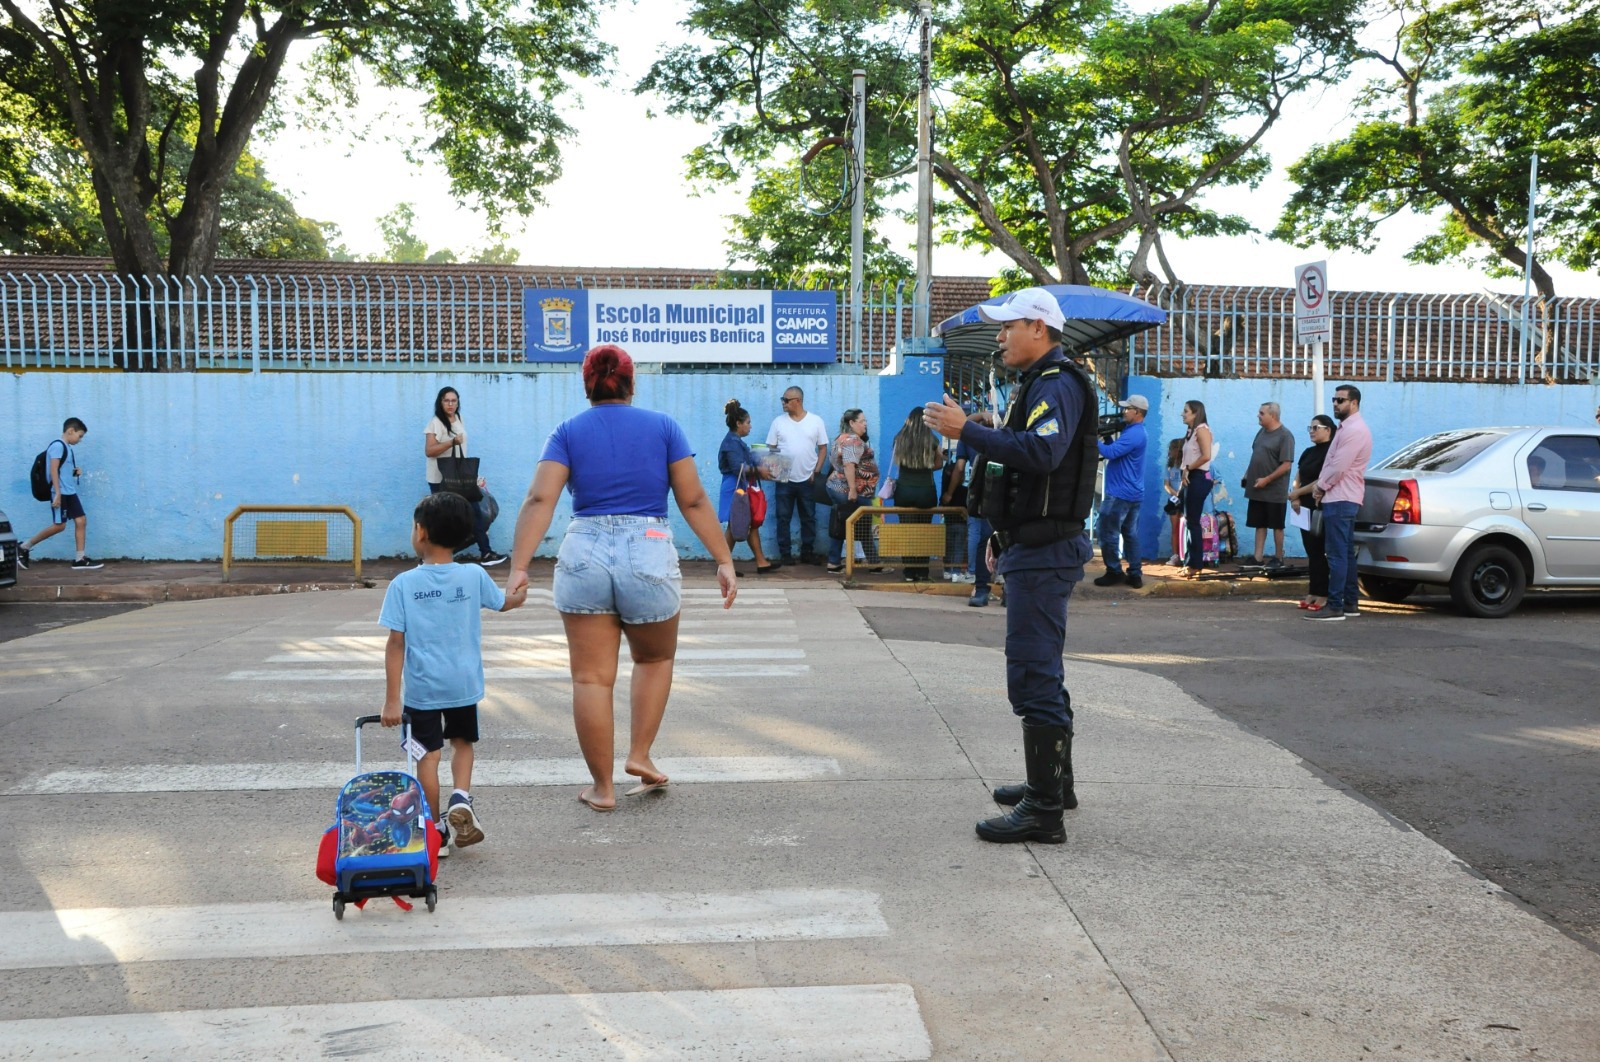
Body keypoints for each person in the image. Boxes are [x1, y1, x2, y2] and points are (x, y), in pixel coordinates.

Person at [506, 345, 737, 811]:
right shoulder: (664, 427)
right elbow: (692, 500)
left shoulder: (567, 431)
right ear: (632, 383)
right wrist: (724, 559)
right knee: (653, 660)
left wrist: (519, 567)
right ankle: (640, 754)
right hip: (648, 545)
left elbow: (539, 500)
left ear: (587, 385)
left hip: (583, 549)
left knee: (591, 679)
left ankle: (603, 788)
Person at [923, 287, 1097, 845]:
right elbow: (1030, 470)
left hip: (1047, 553)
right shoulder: (1043, 383)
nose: (999, 337)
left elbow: (1042, 453)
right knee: (1043, 669)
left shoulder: (1057, 383)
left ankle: (1044, 811)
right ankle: (1055, 786)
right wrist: (1004, 532)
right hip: (1034, 546)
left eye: (1008, 327)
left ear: (1039, 329)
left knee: (1032, 673)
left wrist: (967, 432)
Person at [379, 492, 528, 857]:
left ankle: (434, 830)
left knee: (427, 757)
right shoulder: (474, 575)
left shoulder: (403, 584)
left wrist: (391, 699)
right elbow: (504, 603)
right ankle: (461, 798)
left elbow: (395, 644)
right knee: (463, 744)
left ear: (421, 533)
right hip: (464, 685)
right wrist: (518, 594)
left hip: (422, 692)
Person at [1307, 385, 1373, 622]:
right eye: (1334, 399)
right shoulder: (1348, 428)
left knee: (1336, 554)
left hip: (1341, 497)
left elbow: (1339, 466)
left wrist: (1320, 486)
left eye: (1341, 400)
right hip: (1341, 497)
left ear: (1353, 403)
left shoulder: (1354, 430)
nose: (1335, 403)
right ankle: (1350, 603)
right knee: (1343, 553)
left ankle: (1336, 605)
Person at [424, 386, 505, 566]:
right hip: (441, 480)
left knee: (475, 511)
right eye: (446, 400)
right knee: (443, 520)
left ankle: (486, 553)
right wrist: (451, 442)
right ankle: (430, 559)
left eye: (454, 401)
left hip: (459, 479)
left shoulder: (458, 418)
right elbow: (429, 451)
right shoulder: (435, 422)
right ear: (440, 402)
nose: (450, 404)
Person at [17, 417, 102, 571]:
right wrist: (56, 493)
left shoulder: (67, 447)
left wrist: (74, 472)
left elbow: (61, 470)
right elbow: (53, 470)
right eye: (80, 436)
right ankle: (24, 547)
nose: (80, 439)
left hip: (69, 492)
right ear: (71, 431)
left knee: (81, 520)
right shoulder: (57, 446)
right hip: (61, 493)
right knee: (59, 526)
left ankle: (80, 559)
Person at [765, 386, 829, 566]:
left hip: (808, 479)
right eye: (782, 400)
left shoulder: (816, 421)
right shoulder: (778, 422)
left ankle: (807, 553)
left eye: (786, 400)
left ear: (797, 401)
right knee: (782, 517)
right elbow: (771, 447)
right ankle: (785, 554)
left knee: (808, 517)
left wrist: (816, 472)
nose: (783, 403)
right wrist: (777, 470)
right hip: (784, 479)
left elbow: (823, 448)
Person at [719, 399, 781, 575]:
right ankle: (723, 566)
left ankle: (761, 562)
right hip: (735, 486)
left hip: (740, 485)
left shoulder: (735, 441)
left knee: (748, 523)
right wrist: (757, 469)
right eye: (748, 422)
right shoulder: (732, 443)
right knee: (736, 524)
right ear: (738, 423)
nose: (750, 426)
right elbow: (737, 467)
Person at [1093, 395, 1149, 588]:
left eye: (1128, 409)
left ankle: (1114, 571)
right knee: (1130, 534)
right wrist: (1107, 437)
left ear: (1138, 412)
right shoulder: (1134, 432)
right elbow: (1116, 451)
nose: (1124, 412)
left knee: (1106, 532)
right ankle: (1134, 574)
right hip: (1132, 493)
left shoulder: (1134, 434)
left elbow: (1111, 453)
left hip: (1119, 493)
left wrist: (1093, 438)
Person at [945, 412, 996, 606]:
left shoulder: (967, 439)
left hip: (977, 489)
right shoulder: (1002, 432)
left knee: (977, 533)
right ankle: (1002, 578)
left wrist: (950, 492)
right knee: (1004, 535)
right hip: (1003, 490)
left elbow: (959, 467)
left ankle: (976, 574)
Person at [890, 408, 945, 581]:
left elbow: (898, 463)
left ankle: (908, 572)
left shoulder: (899, 439)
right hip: (926, 491)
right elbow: (939, 464)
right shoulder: (932, 439)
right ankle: (922, 572)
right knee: (924, 531)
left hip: (904, 491)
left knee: (907, 531)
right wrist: (925, 467)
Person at [1289, 415, 1337, 610]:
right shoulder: (1308, 452)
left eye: (1316, 427)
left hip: (1320, 504)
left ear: (1328, 430)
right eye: (1310, 427)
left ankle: (1324, 594)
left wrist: (1295, 493)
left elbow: (1321, 480)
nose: (1312, 431)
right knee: (1311, 551)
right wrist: (1296, 497)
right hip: (1302, 507)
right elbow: (1298, 475)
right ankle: (1313, 591)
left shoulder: (1331, 453)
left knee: (1322, 550)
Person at [1241, 402, 1295, 567]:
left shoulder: (1285, 436)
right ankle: (1258, 558)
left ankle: (1279, 558)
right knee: (1259, 523)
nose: (1258, 415)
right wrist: (1247, 475)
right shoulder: (1261, 432)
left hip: (1274, 490)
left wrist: (1267, 479)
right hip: (1257, 488)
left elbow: (1287, 465)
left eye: (1261, 413)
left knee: (1277, 525)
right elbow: (1256, 455)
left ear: (1273, 415)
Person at [825, 408, 877, 573]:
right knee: (862, 522)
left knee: (841, 523)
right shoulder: (852, 440)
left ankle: (834, 562)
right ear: (852, 423)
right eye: (862, 421)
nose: (865, 424)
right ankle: (874, 563)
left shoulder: (841, 438)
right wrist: (853, 490)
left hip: (838, 487)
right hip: (849, 490)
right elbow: (849, 464)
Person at [1177, 400, 1215, 578]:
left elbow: (1206, 456)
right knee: (1188, 521)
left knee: (1193, 522)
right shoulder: (1191, 432)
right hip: (1190, 477)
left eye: (1186, 411)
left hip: (1199, 478)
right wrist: (1185, 472)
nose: (1182, 414)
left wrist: (1188, 469)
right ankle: (1189, 562)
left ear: (1195, 413)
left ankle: (1195, 564)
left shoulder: (1202, 430)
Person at [1163, 438, 1184, 565]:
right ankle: (1175, 555)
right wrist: (1176, 494)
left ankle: (1184, 554)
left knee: (1185, 528)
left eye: (1172, 449)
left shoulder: (1186, 465)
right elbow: (1166, 485)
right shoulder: (1169, 466)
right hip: (1174, 500)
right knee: (1175, 528)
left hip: (1185, 500)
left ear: (1178, 450)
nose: (1169, 451)